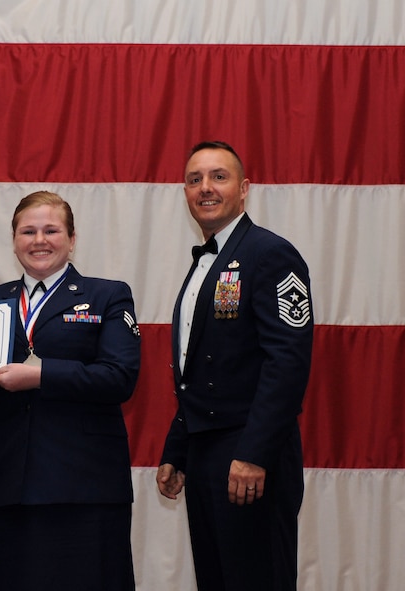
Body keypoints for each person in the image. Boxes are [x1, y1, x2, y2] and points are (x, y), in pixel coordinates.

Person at [0, 191, 141, 590]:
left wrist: (41, 375)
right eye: (28, 231)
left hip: (86, 490)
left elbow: (119, 377)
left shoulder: (108, 295)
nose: (39, 240)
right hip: (7, 490)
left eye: (51, 230)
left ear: (72, 237)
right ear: (14, 239)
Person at [156, 141, 314, 590]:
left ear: (244, 189)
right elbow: (201, 370)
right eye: (194, 179)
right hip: (206, 451)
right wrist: (178, 449)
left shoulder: (270, 253)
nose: (205, 188)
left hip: (250, 453)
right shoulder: (206, 262)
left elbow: (287, 361)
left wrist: (253, 454)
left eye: (218, 177)